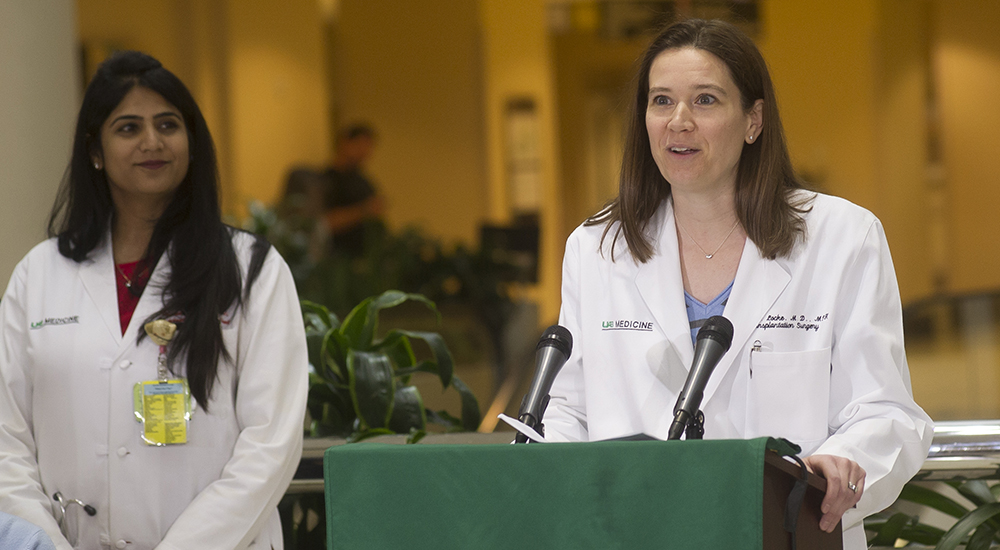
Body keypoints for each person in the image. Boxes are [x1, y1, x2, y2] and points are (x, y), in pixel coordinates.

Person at [542, 19, 933, 550]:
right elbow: (569, 409)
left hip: (788, 530)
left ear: (754, 119)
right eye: (661, 101)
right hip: (639, 533)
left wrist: (847, 461)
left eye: (705, 100)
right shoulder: (595, 248)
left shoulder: (843, 238)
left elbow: (888, 411)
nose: (679, 122)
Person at [0, 51, 308, 549]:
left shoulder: (252, 269)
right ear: (95, 150)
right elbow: (5, 438)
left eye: (168, 124)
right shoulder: (40, 273)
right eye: (127, 128)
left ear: (192, 141)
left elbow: (271, 443)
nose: (152, 142)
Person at [321, 124, 386, 258]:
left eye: (368, 147)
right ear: (344, 142)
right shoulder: (327, 180)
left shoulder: (364, 182)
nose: (364, 152)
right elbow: (324, 223)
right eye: (359, 145)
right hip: (337, 260)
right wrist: (364, 210)